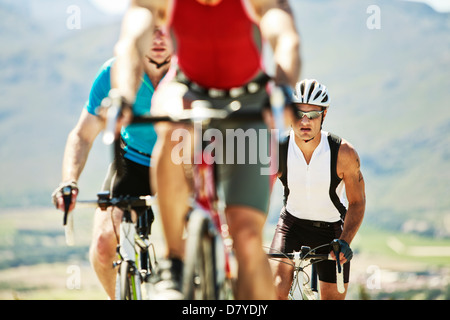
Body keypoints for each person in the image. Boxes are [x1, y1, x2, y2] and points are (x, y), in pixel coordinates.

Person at [112, 0, 301, 299]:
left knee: (248, 239)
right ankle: (173, 262)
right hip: (188, 90)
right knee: (173, 126)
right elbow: (130, 44)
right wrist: (122, 95)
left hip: (248, 102)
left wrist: (284, 88)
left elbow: (285, 38)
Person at [52, 28, 172, 299]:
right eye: (151, 30)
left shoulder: (190, 72)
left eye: (165, 30)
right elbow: (82, 135)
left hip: (181, 162)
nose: (158, 39)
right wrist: (69, 180)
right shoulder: (113, 73)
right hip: (133, 162)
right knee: (105, 245)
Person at [269, 79, 366, 300]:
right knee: (274, 292)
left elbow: (357, 202)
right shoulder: (276, 150)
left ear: (323, 115)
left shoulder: (344, 153)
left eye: (312, 114)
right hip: (290, 226)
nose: (305, 121)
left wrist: (345, 240)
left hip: (331, 232)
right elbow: (260, 196)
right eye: (298, 113)